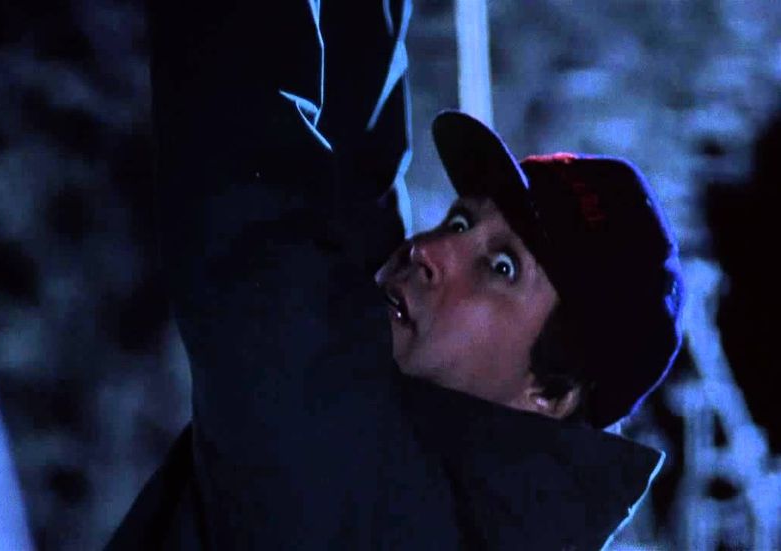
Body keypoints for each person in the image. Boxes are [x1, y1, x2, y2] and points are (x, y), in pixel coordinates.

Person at [107, 1, 683, 549]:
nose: (427, 250)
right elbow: (356, 184)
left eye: (501, 267)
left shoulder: (359, 501)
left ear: (549, 395)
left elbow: (248, 203)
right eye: (459, 221)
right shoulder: (432, 474)